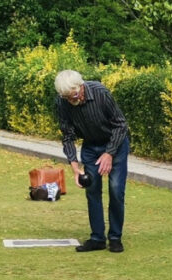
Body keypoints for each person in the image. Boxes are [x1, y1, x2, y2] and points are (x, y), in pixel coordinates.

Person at [54, 69, 130, 253]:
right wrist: (75, 168)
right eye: (67, 98)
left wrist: (109, 153)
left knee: (116, 189)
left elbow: (121, 124)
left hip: (116, 143)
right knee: (92, 190)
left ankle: (115, 237)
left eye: (74, 95)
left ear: (80, 86)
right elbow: (68, 136)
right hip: (91, 146)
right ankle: (97, 238)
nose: (73, 101)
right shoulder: (61, 102)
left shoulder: (100, 92)